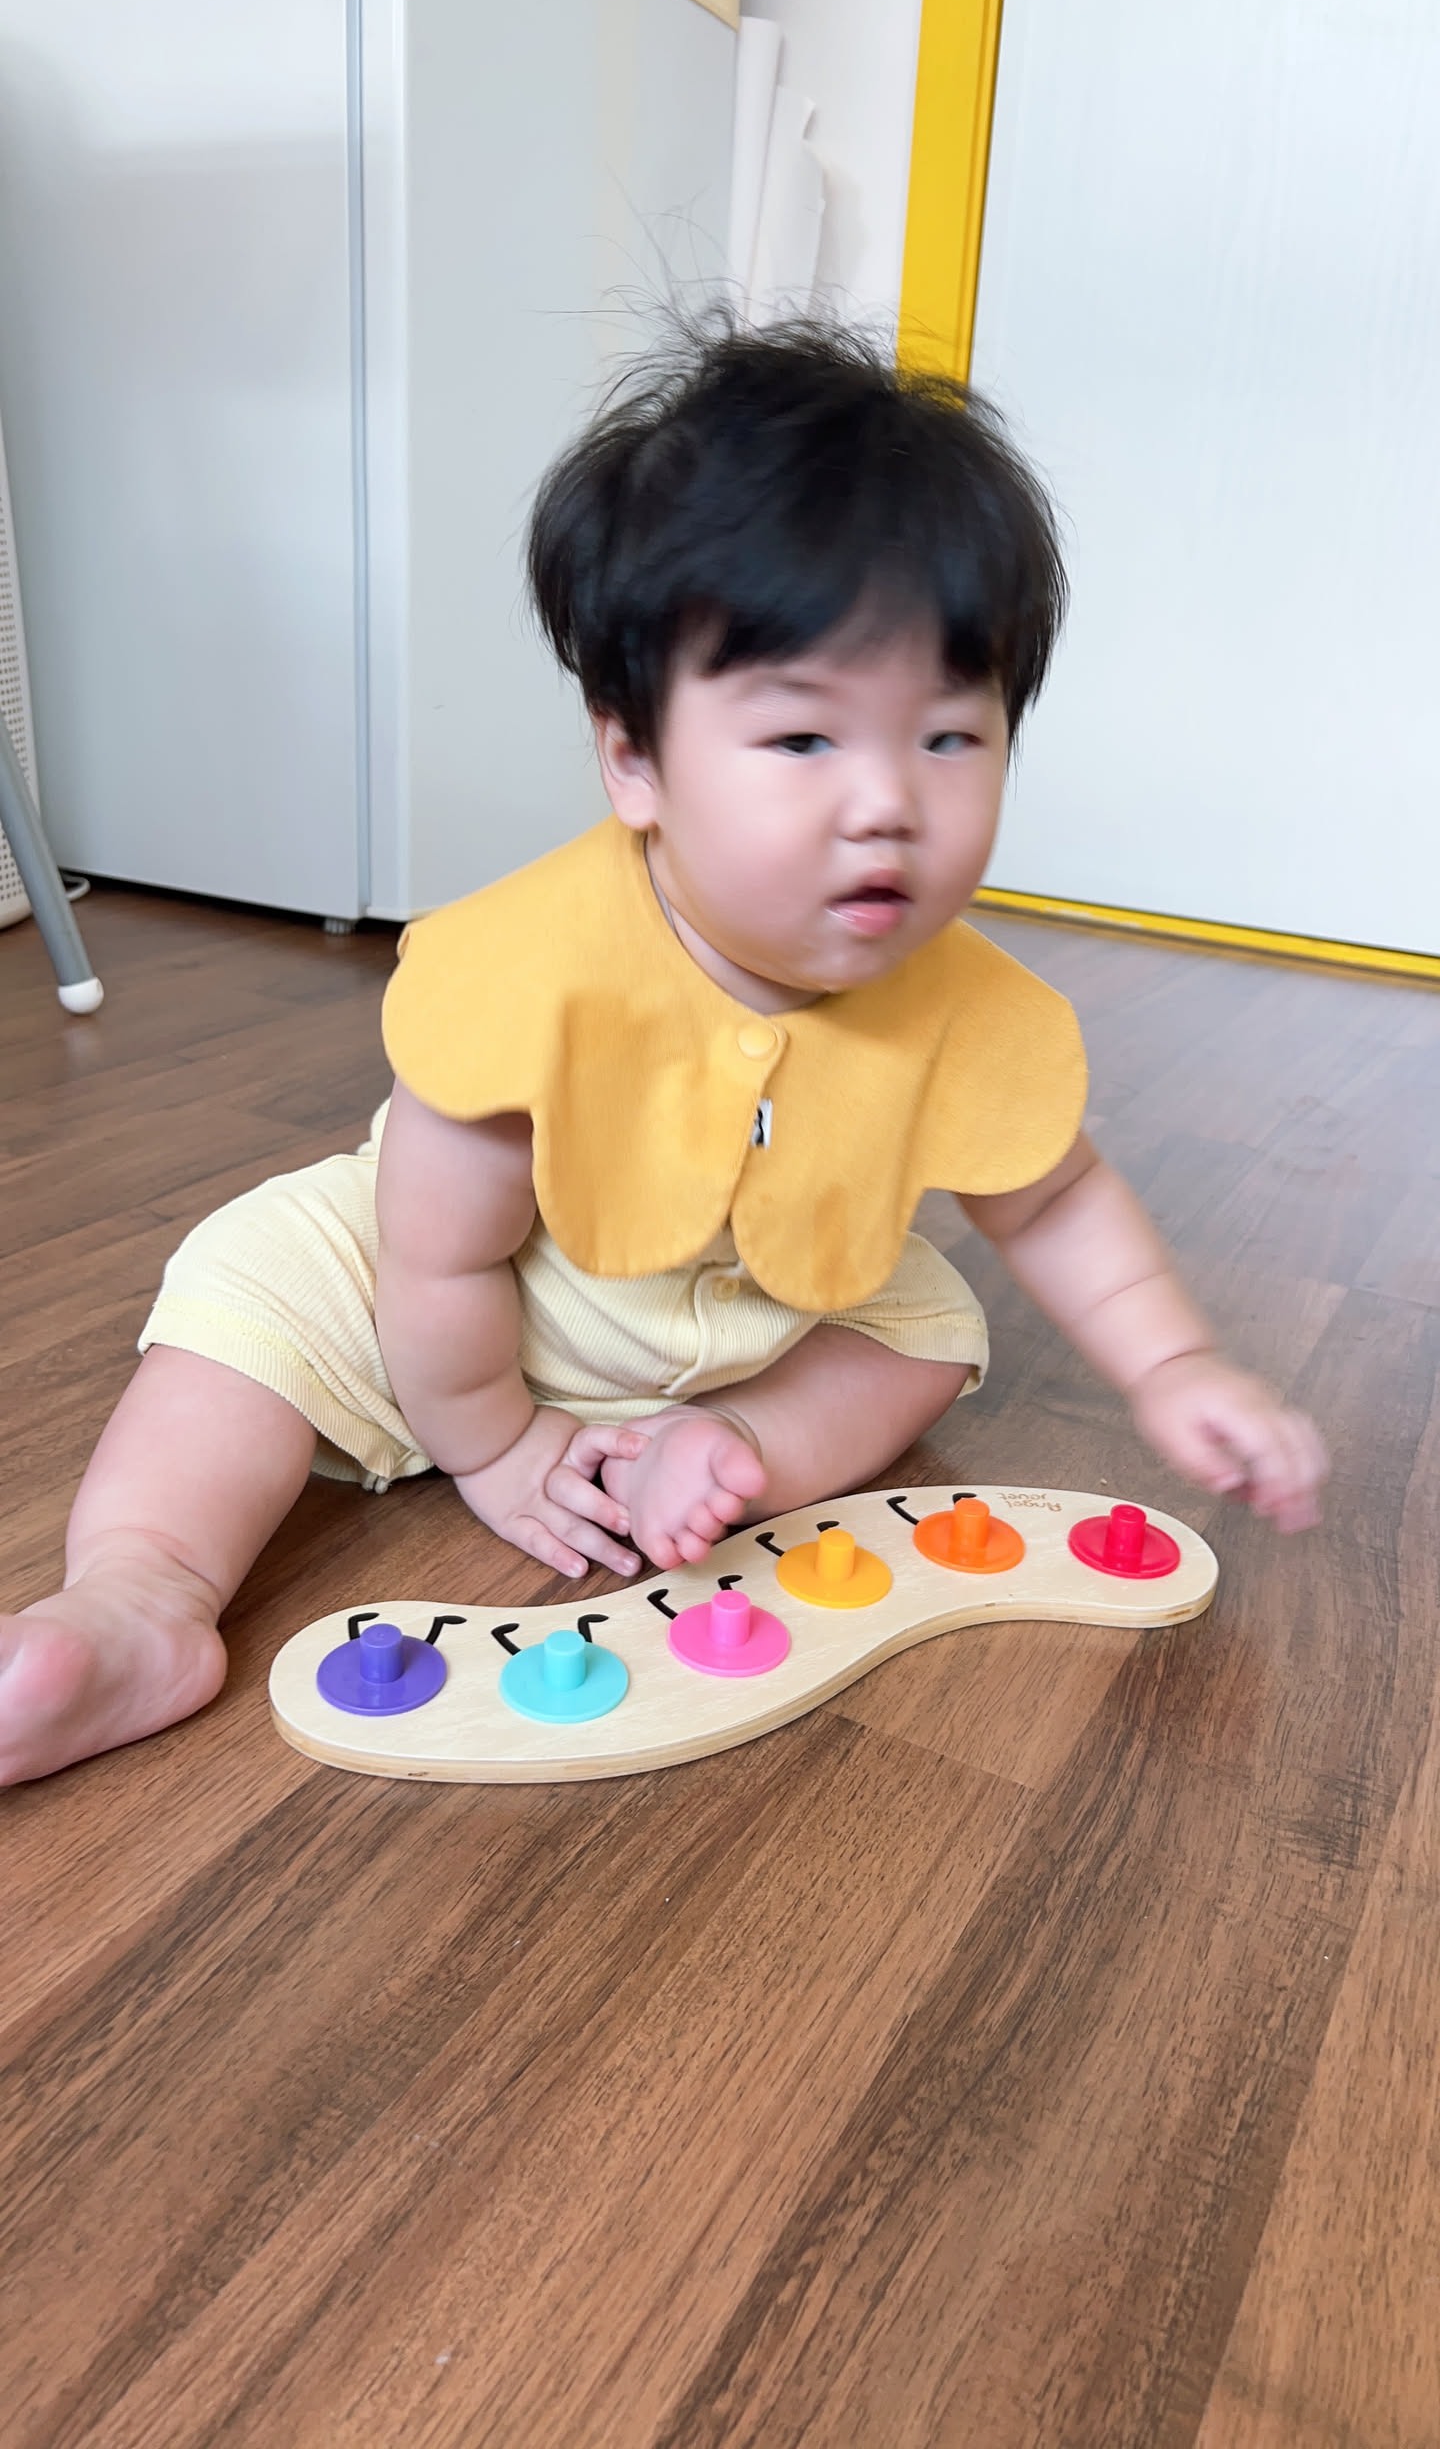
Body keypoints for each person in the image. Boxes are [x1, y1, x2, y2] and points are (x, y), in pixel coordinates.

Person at [0, 322, 1326, 1785]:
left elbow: (1055, 1200)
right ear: (633, 759)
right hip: (451, 1293)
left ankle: (730, 1444)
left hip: (749, 1305)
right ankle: (139, 1597)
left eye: (950, 738)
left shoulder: (971, 1008)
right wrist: (494, 1446)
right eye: (805, 740)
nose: (886, 802)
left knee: (932, 1330)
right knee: (253, 1295)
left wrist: (1175, 1363)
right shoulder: (530, 971)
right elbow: (436, 1258)